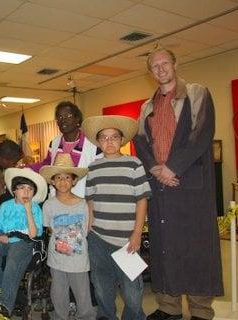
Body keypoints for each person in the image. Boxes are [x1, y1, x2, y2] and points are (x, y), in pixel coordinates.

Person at [133, 47, 224, 320]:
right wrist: (154, 168)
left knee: (196, 246)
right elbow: (139, 141)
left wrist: (173, 167)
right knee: (163, 245)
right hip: (159, 185)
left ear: (175, 63)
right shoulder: (146, 107)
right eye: (154, 66)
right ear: (150, 72)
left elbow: (203, 133)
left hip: (190, 185)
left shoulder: (197, 93)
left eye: (164, 63)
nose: (160, 69)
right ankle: (168, 307)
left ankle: (200, 310)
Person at [82, 115, 152, 320]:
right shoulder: (93, 167)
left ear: (122, 140)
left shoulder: (134, 164)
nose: (109, 141)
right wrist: (89, 226)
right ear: (98, 142)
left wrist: (137, 233)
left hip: (127, 239)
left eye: (114, 137)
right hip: (98, 238)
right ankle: (106, 316)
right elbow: (91, 199)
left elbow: (142, 200)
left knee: (132, 291)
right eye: (104, 138)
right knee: (102, 286)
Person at [0, 168, 47, 320]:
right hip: (6, 240)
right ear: (14, 190)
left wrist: (28, 210)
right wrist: (1, 234)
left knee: (12, 260)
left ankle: (4, 305)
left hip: (24, 242)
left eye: (30, 189)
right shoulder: (6, 206)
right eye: (22, 188)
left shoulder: (35, 208)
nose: (26, 192)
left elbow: (34, 234)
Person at [39, 153, 96, 320]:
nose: (62, 181)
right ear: (53, 182)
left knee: (82, 290)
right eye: (58, 178)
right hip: (57, 257)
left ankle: (86, 316)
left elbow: (87, 229)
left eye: (66, 177)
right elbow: (49, 228)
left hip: (78, 258)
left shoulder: (83, 204)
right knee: (58, 290)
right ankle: (60, 316)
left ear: (74, 181)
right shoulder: (49, 205)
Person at [30, 101, 101, 197]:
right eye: (60, 117)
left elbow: (99, 173)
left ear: (78, 119)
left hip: (83, 199)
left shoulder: (92, 143)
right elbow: (47, 164)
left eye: (69, 116)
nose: (63, 120)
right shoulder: (54, 143)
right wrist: (28, 168)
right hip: (57, 200)